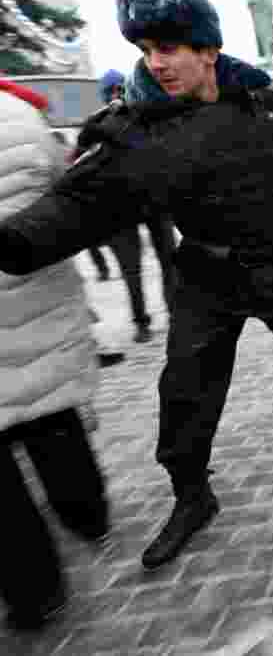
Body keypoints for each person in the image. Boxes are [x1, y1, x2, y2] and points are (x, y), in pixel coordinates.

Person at [0, 0, 273, 571]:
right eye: (147, 50)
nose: (157, 62)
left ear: (210, 50)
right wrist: (10, 242)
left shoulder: (266, 106)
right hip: (206, 280)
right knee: (184, 397)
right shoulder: (137, 132)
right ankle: (192, 495)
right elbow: (74, 208)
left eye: (169, 47)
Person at [0, 80, 112, 631]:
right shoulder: (18, 113)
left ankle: (33, 588)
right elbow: (65, 196)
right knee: (51, 414)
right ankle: (87, 513)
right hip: (35, 295)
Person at [89, 68, 180, 344]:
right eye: (111, 92)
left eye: (120, 90)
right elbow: (82, 159)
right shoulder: (97, 123)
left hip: (154, 202)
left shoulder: (147, 116)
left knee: (170, 261)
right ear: (105, 96)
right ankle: (141, 321)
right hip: (119, 207)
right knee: (132, 269)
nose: (116, 96)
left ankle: (176, 315)